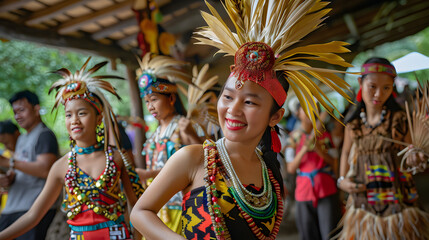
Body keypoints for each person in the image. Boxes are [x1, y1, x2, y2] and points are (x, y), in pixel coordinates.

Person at [130, 0, 353, 239]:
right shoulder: (193, 158)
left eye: (250, 102)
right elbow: (140, 212)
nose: (233, 109)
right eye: (227, 96)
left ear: (275, 116)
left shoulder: (269, 172)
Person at [0, 58, 144, 240]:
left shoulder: (116, 158)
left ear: (99, 118)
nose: (74, 120)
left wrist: (137, 237)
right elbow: (33, 216)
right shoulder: (61, 166)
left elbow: (136, 205)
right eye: (69, 115)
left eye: (82, 113)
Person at [335, 57, 429, 239]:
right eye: (372, 86)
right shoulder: (353, 124)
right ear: (361, 82)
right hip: (363, 204)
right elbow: (346, 152)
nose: (379, 94)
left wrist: (415, 157)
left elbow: (410, 150)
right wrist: (342, 181)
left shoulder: (399, 120)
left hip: (398, 201)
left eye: (386, 88)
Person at [135, 53, 205, 234]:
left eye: (155, 100)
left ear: (171, 99)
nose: (150, 106)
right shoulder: (155, 132)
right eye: (147, 102)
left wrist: (189, 134)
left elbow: (204, 158)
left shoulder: (183, 125)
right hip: (157, 205)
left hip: (180, 203)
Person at [0, 90, 59, 240]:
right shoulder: (22, 139)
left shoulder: (44, 135)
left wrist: (8, 162)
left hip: (32, 210)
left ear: (36, 109)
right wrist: (9, 179)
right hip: (13, 208)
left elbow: (46, 170)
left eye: (22, 110)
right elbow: (21, 169)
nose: (17, 116)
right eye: (15, 112)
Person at [285, 105, 341, 240]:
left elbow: (334, 162)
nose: (310, 113)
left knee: (329, 233)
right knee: (308, 233)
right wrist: (304, 148)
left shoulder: (325, 136)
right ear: (298, 113)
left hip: (326, 188)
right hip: (304, 191)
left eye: (313, 110)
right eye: (306, 110)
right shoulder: (293, 138)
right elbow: (291, 168)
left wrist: (318, 150)